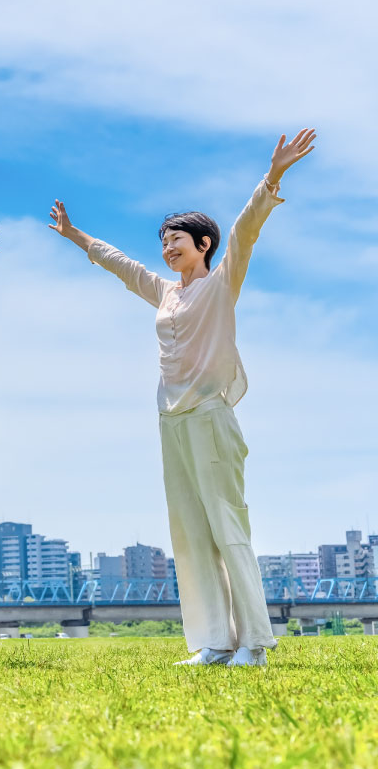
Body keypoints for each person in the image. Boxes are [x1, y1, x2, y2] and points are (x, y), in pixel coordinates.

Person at [47, 129, 316, 668]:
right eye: (164, 240)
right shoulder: (165, 292)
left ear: (204, 246)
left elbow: (246, 230)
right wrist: (76, 235)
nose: (168, 247)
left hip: (212, 415)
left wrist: (273, 178)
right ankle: (215, 642)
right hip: (171, 420)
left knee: (226, 526)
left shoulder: (221, 283)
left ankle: (254, 645)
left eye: (178, 239)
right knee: (191, 533)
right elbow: (119, 264)